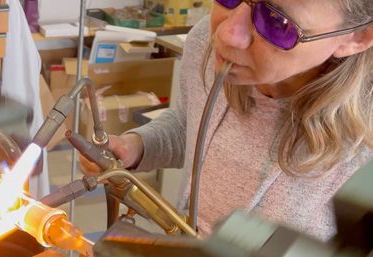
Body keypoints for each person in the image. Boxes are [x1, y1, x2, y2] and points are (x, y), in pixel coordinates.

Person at [81, 0, 373, 240]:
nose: (226, 33)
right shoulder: (206, 47)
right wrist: (138, 146)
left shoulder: (366, 134)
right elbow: (190, 124)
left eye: (277, 22)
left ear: (356, 37)